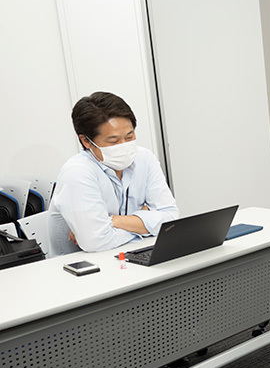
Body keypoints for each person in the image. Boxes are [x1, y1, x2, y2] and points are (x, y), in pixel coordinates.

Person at [49, 92, 179, 257]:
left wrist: (112, 220)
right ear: (86, 141)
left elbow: (170, 217)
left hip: (128, 256)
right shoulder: (77, 173)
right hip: (82, 268)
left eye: (129, 136)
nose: (124, 145)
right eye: (113, 141)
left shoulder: (144, 158)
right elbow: (96, 241)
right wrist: (146, 221)